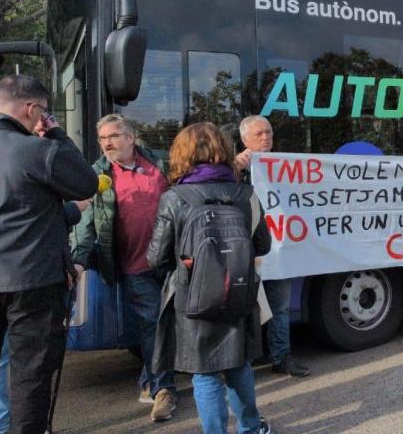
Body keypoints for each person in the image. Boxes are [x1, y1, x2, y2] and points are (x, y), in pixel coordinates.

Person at [0, 75, 98, 434]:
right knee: (29, 380)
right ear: (32, 109)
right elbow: (86, 182)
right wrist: (56, 133)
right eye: (43, 110)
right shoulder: (37, 151)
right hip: (33, 282)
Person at [148, 122, 273, 434]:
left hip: (192, 298)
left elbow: (156, 258)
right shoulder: (246, 193)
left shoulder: (174, 197)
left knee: (204, 374)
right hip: (238, 293)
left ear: (182, 154)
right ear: (225, 150)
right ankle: (251, 428)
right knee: (239, 366)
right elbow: (264, 245)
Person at [71, 114, 177, 421]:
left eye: (113, 136)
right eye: (103, 138)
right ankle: (163, 391)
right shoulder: (97, 174)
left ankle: (150, 379)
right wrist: (78, 259)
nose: (107, 143)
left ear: (131, 137)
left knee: (169, 322)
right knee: (153, 324)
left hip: (171, 260)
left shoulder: (160, 164)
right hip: (134, 265)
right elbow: (86, 222)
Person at [233, 115, 310, 377]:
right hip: (244, 251)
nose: (266, 138)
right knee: (241, 308)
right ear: (244, 140)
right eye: (259, 134)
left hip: (277, 249)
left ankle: (281, 357)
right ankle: (238, 361)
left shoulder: (282, 166)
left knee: (280, 307)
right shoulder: (234, 167)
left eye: (269, 133)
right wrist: (235, 169)